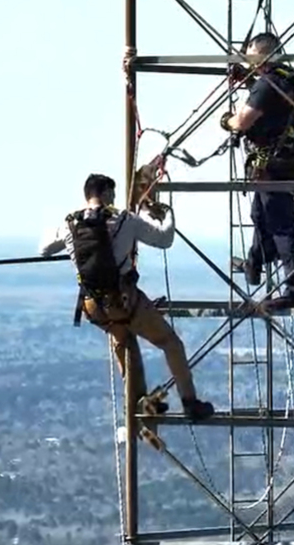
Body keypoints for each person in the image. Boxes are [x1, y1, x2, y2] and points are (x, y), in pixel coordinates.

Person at [39, 173, 215, 421]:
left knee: (125, 344)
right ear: (107, 193)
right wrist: (167, 213)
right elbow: (164, 238)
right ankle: (190, 403)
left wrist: (68, 241)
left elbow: (44, 249)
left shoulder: (70, 224)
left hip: (94, 306)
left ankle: (139, 403)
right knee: (170, 343)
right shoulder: (124, 220)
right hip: (124, 299)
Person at [220, 32, 294, 309]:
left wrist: (227, 121)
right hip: (285, 159)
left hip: (271, 164)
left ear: (261, 55)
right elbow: (272, 101)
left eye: (251, 59)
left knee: (281, 224)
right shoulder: (291, 80)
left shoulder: (268, 84)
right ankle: (255, 261)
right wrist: (250, 82)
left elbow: (243, 121)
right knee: (260, 214)